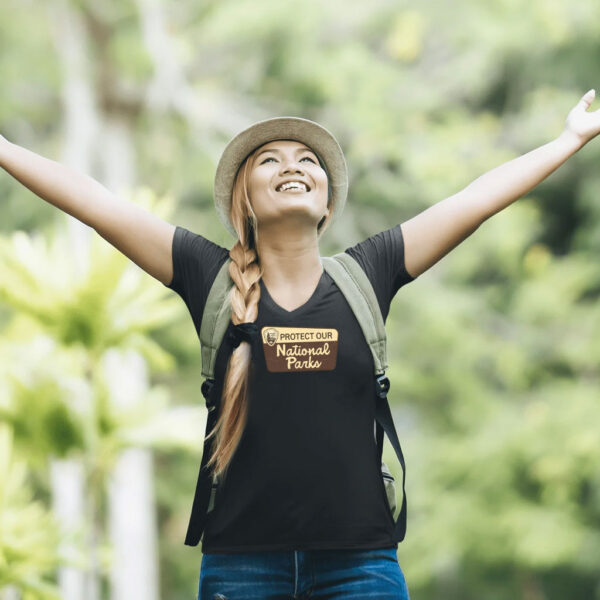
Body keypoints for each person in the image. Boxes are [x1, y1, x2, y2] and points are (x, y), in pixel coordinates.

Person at [0, 90, 598, 600]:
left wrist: (567, 140)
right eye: (269, 160)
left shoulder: (371, 271)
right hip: (240, 567)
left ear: (327, 202)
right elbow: (95, 202)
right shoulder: (206, 276)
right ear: (245, 201)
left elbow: (474, 199)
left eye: (307, 158)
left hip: (361, 566)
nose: (293, 165)